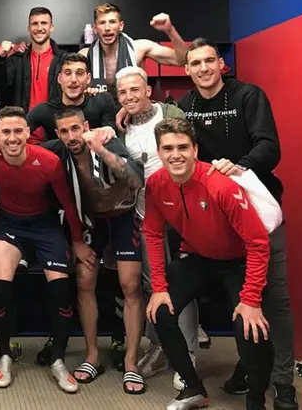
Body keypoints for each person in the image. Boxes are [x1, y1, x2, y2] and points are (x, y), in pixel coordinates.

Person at [176, 38, 297, 410]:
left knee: (273, 300)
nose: (203, 68)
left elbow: (269, 146)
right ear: (187, 70)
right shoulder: (185, 105)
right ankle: (250, 365)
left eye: (209, 60)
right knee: (243, 296)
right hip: (218, 215)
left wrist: (240, 164)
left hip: (260, 208)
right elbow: (176, 147)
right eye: (195, 63)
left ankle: (283, 381)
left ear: (221, 64)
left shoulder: (248, 96)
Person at [144, 117, 274, 410]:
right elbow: (152, 234)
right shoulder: (156, 184)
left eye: (182, 147)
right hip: (197, 259)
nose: (175, 155)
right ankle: (193, 389)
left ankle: (256, 401)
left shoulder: (220, 185)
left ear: (195, 149)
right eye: (167, 148)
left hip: (236, 262)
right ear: (159, 152)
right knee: (160, 312)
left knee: (249, 325)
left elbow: (258, 242)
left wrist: (251, 299)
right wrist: (159, 288)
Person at [0, 106, 91, 392]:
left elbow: (68, 205)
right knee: (0, 289)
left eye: (18, 131)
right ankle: (4, 356)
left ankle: (58, 360)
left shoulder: (49, 161)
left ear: (29, 133)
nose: (12, 138)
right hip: (10, 225)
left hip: (45, 226)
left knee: (61, 292)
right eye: (5, 132)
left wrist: (77, 241)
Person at [45, 107, 146, 393]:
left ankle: (131, 361)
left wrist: (101, 149)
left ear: (86, 126)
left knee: (130, 286)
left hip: (124, 217)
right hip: (91, 222)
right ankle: (92, 355)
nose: (71, 136)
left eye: (75, 128)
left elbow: (136, 179)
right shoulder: (58, 151)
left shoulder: (106, 141)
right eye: (63, 131)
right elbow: (22, 149)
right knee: (84, 283)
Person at [114, 66, 202, 390]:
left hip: (180, 215)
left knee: (183, 287)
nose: (129, 97)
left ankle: (189, 356)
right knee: (155, 286)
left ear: (148, 89)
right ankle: (162, 346)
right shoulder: (120, 125)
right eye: (123, 93)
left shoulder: (169, 113)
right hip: (143, 216)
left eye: (135, 90)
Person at [78, 3, 189, 96]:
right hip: (100, 114)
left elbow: (182, 60)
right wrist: (85, 92)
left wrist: (169, 30)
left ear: (121, 26)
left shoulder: (139, 48)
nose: (107, 28)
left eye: (112, 22)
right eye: (102, 23)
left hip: (134, 112)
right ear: (95, 28)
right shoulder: (85, 55)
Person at [26, 52, 116, 143]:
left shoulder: (102, 101)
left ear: (88, 78)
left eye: (79, 73)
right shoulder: (43, 111)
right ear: (59, 78)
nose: (73, 79)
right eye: (68, 73)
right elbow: (18, 133)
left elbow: (110, 135)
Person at [0, 7, 67, 113]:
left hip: (54, 127)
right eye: (35, 23)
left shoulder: (63, 60)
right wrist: (1, 58)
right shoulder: (16, 60)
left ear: (51, 27)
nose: (39, 28)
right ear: (29, 28)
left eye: (44, 23)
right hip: (23, 126)